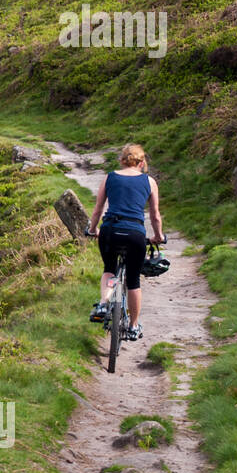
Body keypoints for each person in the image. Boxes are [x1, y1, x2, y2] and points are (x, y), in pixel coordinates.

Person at [84, 144, 165, 340]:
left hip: (110, 230)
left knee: (109, 268)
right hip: (135, 234)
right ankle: (133, 326)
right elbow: (154, 215)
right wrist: (158, 236)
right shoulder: (150, 182)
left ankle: (104, 304)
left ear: (122, 160)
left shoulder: (109, 177)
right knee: (133, 280)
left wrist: (93, 230)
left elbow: (97, 209)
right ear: (142, 162)